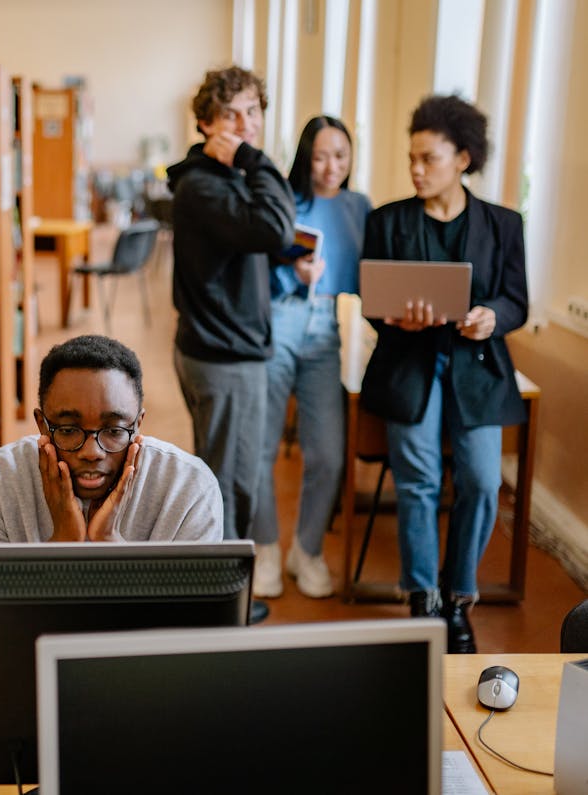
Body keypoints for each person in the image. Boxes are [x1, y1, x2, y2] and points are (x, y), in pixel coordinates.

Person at [360, 95, 528, 653]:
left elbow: (516, 301)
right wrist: (396, 319)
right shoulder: (387, 221)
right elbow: (371, 303)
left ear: (462, 158)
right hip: (409, 366)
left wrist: (491, 317)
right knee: (418, 481)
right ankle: (423, 600)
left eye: (428, 158)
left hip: (476, 369)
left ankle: (459, 599)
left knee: (481, 480)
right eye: (411, 158)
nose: (416, 169)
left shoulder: (504, 225)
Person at [167, 64, 296, 544]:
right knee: (230, 485)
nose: (246, 124)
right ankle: (224, 587)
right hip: (224, 356)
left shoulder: (220, 178)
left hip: (223, 347)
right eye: (231, 114)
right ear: (205, 123)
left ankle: (222, 582)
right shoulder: (205, 184)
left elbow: (252, 240)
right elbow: (276, 227)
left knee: (228, 476)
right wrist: (253, 158)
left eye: (253, 111)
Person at [252, 116, 372, 600]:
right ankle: (265, 548)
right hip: (278, 317)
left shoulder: (358, 207)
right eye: (320, 156)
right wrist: (291, 271)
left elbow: (369, 272)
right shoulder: (282, 198)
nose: (331, 167)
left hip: (326, 326)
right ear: (306, 157)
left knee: (327, 453)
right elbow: (254, 264)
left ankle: (307, 550)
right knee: (260, 447)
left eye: (340, 156)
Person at [0, 335, 223, 544]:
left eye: (114, 431)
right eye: (68, 430)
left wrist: (109, 542)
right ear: (42, 426)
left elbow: (193, 602)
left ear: (138, 425)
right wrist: (63, 541)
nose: (92, 452)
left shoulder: (190, 487)